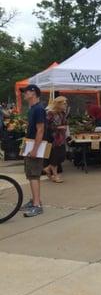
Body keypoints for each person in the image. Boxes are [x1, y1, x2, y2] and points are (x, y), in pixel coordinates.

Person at [20, 85, 46, 217]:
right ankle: (35, 200)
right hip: (29, 145)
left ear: (33, 93)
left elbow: (40, 130)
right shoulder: (33, 109)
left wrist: (35, 149)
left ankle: (37, 205)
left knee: (34, 175)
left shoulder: (39, 109)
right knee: (30, 174)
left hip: (35, 146)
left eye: (26, 91)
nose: (24, 94)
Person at [44, 96, 68, 183]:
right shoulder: (51, 113)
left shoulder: (63, 113)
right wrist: (59, 127)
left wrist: (64, 127)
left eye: (65, 103)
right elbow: (47, 126)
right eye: (64, 103)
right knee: (55, 157)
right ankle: (55, 175)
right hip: (53, 138)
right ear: (58, 104)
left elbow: (65, 123)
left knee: (62, 156)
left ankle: (48, 168)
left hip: (61, 137)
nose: (65, 105)